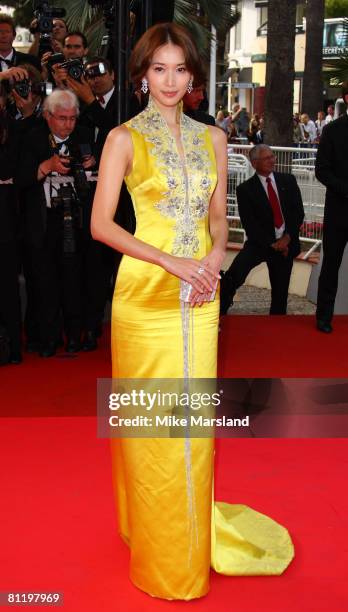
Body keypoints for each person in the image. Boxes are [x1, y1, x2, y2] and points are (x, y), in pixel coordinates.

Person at [91, 23, 294, 600]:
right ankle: (157, 546)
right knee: (152, 428)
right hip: (145, 296)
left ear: (193, 77)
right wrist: (173, 264)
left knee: (192, 429)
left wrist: (209, 261)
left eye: (180, 69)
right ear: (142, 76)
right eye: (159, 69)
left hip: (201, 296)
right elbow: (101, 225)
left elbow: (217, 221)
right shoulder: (123, 139)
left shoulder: (214, 139)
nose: (171, 80)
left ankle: (187, 538)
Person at [16, 89, 95, 357]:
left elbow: (93, 180)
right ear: (48, 117)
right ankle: (47, 339)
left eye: (72, 118)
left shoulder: (83, 136)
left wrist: (90, 165)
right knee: (44, 283)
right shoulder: (33, 138)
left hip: (75, 218)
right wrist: (46, 166)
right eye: (62, 118)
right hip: (43, 222)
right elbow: (21, 180)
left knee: (75, 281)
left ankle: (75, 336)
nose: (68, 124)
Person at [220, 144, 304, 316]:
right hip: (259, 244)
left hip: (286, 245)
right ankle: (220, 310)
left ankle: (277, 328)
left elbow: (298, 213)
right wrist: (274, 244)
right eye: (267, 158)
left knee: (280, 293)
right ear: (254, 163)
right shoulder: (244, 190)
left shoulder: (288, 180)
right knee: (234, 276)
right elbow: (250, 225)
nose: (272, 160)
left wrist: (286, 239)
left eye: (273, 156)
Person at [315, 82, 348, 333]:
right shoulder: (333, 131)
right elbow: (321, 170)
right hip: (338, 210)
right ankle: (323, 317)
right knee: (331, 265)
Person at [0, 82, 21, 364]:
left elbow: (12, 170)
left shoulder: (11, 130)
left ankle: (14, 347)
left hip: (5, 222)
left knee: (7, 287)